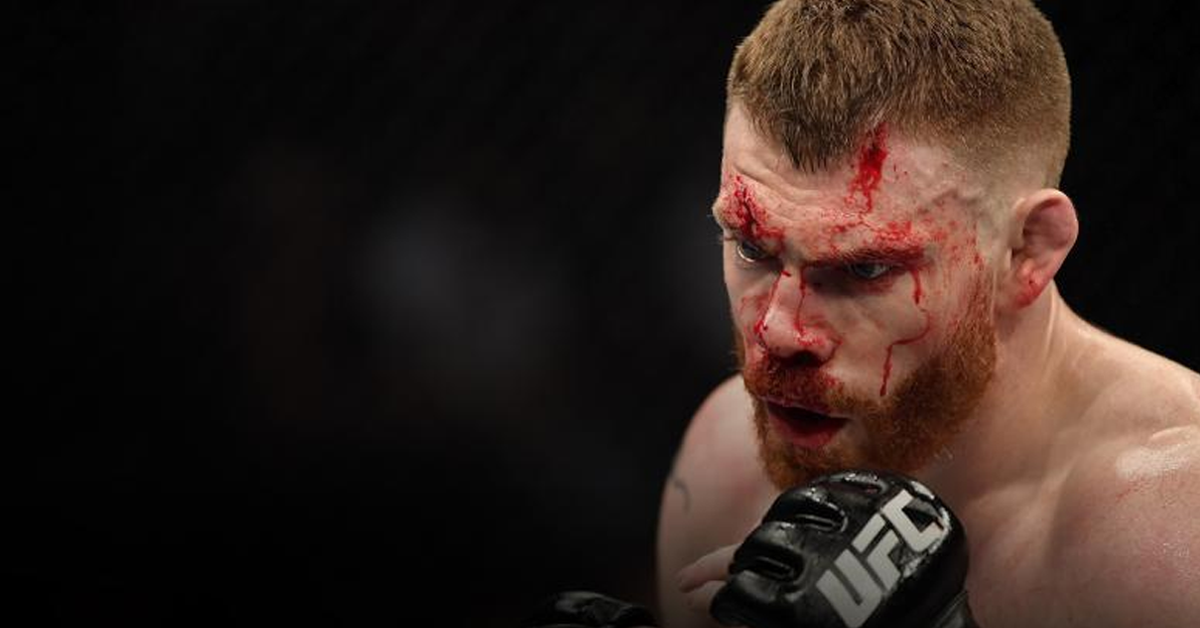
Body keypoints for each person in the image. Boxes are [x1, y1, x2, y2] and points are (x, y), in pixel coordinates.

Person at [655, 1, 1200, 627]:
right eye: (752, 247)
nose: (779, 331)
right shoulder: (724, 463)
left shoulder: (1172, 536)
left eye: (865, 269)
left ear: (1027, 249)